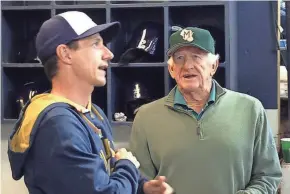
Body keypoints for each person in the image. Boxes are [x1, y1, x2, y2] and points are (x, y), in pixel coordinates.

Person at [7, 11, 173, 194]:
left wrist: (141, 187)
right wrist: (128, 167)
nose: (109, 53)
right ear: (65, 54)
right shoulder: (58, 124)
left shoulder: (92, 112)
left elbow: (104, 175)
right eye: (96, 44)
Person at [129, 27, 283, 194]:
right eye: (179, 58)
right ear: (171, 69)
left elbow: (268, 176)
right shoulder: (146, 117)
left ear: (213, 66)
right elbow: (138, 183)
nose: (188, 66)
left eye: (197, 57)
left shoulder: (251, 109)